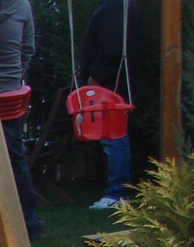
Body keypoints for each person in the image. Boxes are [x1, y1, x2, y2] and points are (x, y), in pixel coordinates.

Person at [0, 0, 43, 238]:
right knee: (15, 159)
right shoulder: (22, 6)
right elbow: (28, 48)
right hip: (10, 93)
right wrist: (14, 78)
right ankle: (29, 221)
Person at [81, 0, 143, 208]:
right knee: (114, 136)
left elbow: (113, 47)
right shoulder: (122, 5)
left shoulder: (116, 5)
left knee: (114, 137)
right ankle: (118, 191)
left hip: (111, 83)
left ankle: (117, 193)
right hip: (118, 80)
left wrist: (95, 77)